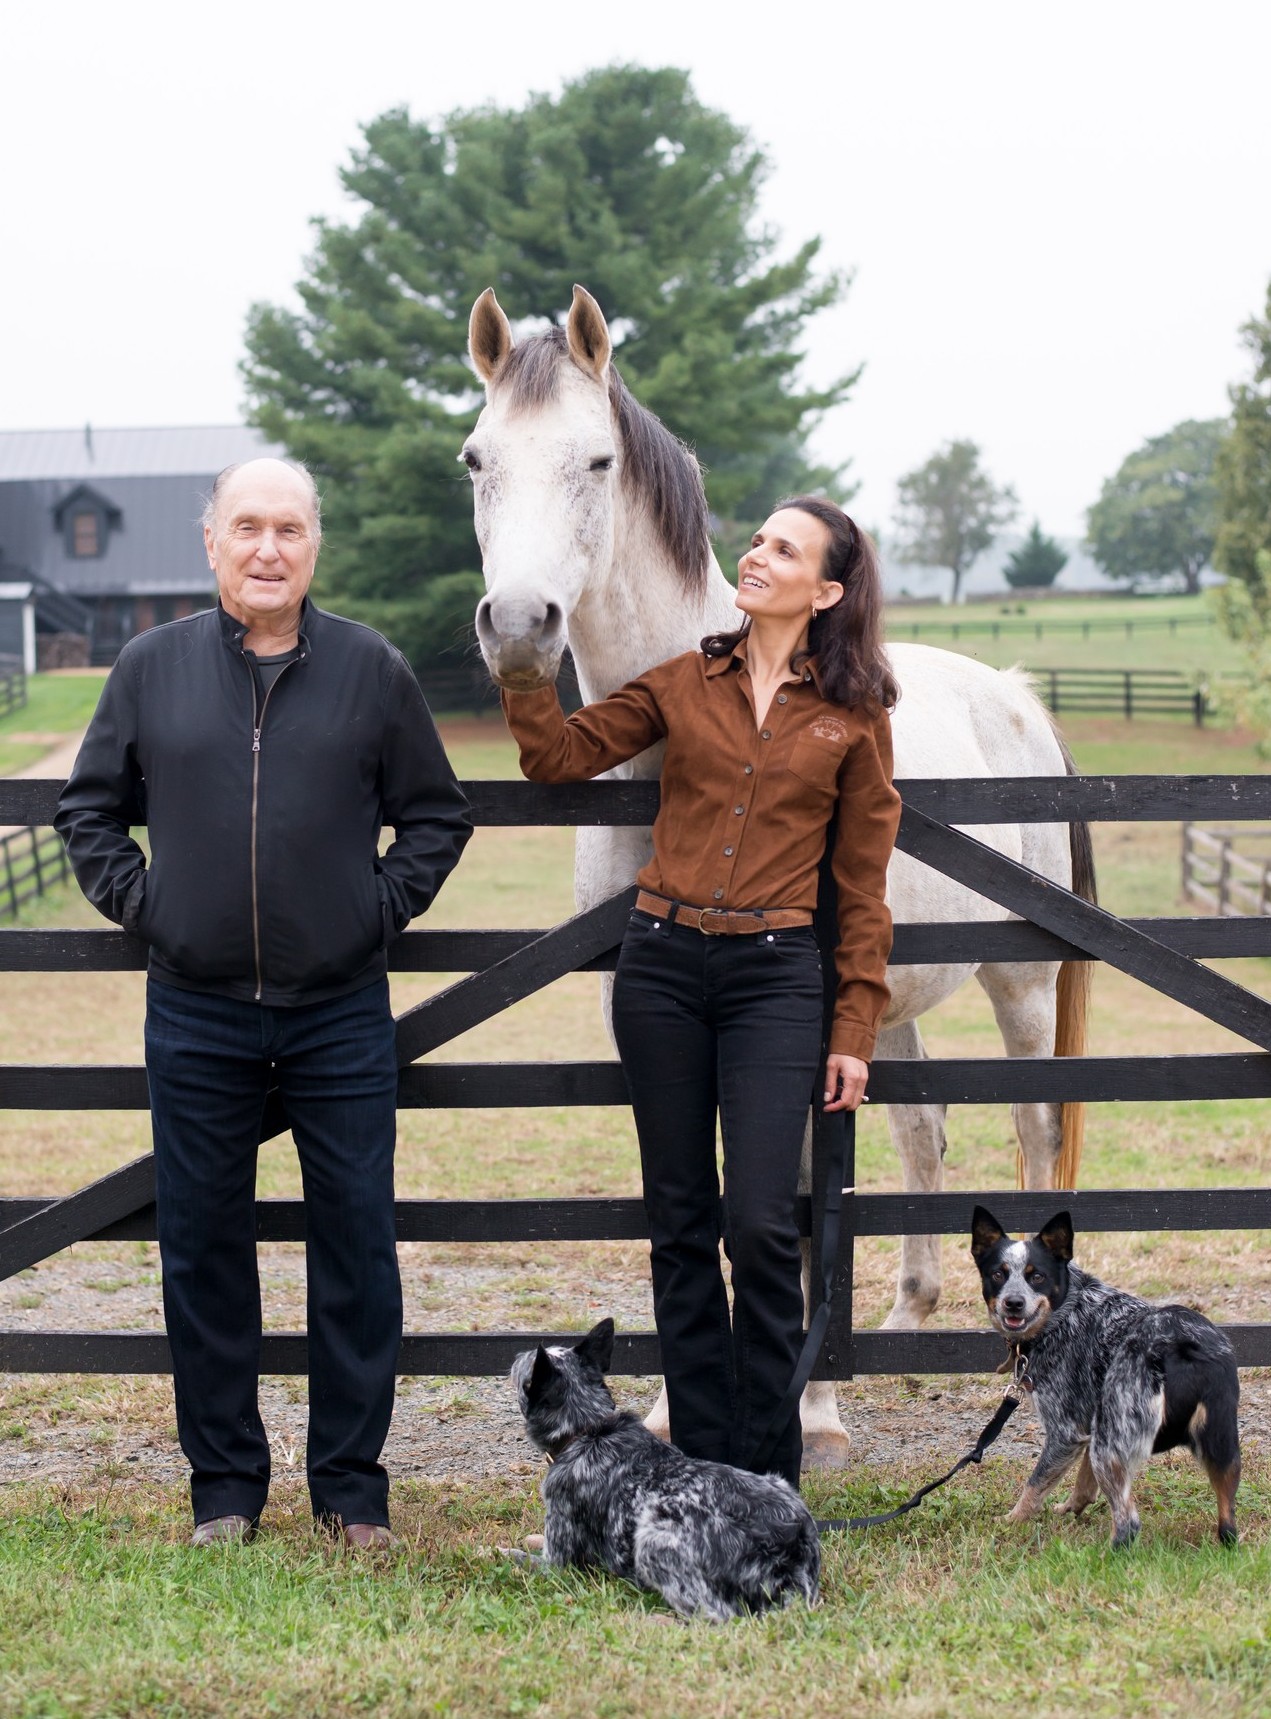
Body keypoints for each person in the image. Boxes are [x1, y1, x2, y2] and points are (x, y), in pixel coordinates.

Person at [55, 458, 472, 1547]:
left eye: (289, 528)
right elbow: (89, 811)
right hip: (194, 1007)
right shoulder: (150, 667)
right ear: (212, 542)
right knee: (200, 1247)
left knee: (355, 1246)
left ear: (313, 544)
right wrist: (153, 910)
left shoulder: (371, 668)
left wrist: (371, 911)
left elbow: (436, 816)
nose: (268, 549)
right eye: (247, 527)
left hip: (339, 1008)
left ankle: (350, 1490)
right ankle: (226, 1489)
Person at [500, 496, 900, 1489]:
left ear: (827, 591)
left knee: (760, 1225)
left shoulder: (852, 717)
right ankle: (701, 1467)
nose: (754, 556)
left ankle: (766, 1476)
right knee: (678, 1224)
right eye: (756, 540)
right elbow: (557, 757)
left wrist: (853, 1025)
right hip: (663, 971)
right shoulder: (683, 682)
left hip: (775, 979)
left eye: (783, 550)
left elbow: (860, 887)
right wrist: (523, 671)